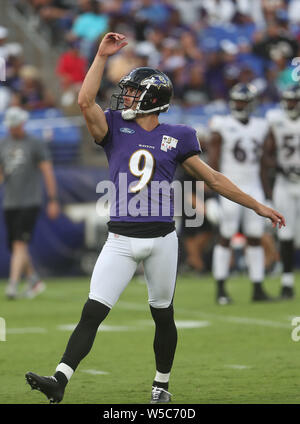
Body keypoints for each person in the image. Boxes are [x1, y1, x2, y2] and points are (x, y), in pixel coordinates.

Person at [25, 32, 285, 405]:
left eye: (132, 91)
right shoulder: (114, 126)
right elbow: (85, 101)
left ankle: (161, 384)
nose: (125, 96)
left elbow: (212, 178)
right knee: (93, 310)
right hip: (121, 239)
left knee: (163, 315)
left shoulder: (178, 136)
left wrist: (256, 204)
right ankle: (60, 379)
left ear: (152, 99)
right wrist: (100, 55)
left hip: (163, 239)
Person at [208, 83, 274, 305]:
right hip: (229, 187)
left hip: (253, 186)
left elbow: (264, 164)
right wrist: (213, 195)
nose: (239, 105)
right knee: (226, 237)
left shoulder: (261, 126)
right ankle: (220, 289)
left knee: (255, 237)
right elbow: (213, 162)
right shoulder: (221, 124)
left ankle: (257, 287)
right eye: (236, 101)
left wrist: (267, 193)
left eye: (243, 102)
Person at [0, 106, 60, 299]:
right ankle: (33, 278)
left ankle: (13, 284)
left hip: (29, 201)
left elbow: (47, 171)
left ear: (22, 124)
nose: (12, 129)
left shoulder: (35, 144)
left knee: (19, 243)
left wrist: (52, 199)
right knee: (16, 245)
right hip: (10, 202)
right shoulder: (3, 143)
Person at [262, 84, 300, 299]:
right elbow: (266, 154)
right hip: (285, 183)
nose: (291, 105)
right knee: (285, 234)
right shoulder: (276, 121)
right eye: (289, 100)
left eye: (295, 101)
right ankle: (287, 283)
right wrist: (278, 166)